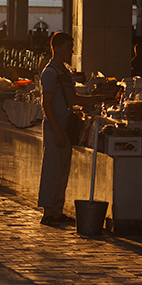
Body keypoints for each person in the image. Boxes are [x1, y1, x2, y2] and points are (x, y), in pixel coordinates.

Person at [38, 31, 100, 226]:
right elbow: (46, 104)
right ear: (56, 48)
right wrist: (56, 131)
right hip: (55, 128)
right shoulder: (50, 73)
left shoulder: (63, 72)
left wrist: (97, 99)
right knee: (52, 171)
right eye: (68, 48)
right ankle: (48, 212)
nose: (71, 51)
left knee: (62, 173)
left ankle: (57, 211)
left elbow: (73, 99)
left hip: (63, 128)